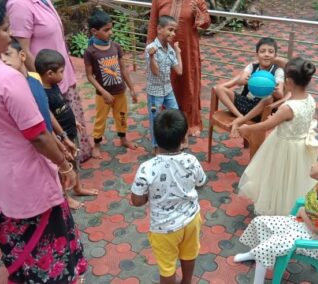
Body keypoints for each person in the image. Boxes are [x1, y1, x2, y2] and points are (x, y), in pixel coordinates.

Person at [0, 2, 86, 283]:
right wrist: (64, 165)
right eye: (6, 30)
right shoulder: (8, 79)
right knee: (47, 244)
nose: (10, 37)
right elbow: (38, 134)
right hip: (27, 181)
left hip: (0, 183)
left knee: (15, 243)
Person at [233, 150, 318, 283]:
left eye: (317, 161)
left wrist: (302, 211)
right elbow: (316, 215)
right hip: (305, 226)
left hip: (315, 239)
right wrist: (305, 212)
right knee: (260, 222)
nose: (312, 165)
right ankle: (254, 254)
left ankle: (258, 275)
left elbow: (316, 229)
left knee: (266, 247)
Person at [6, 0, 93, 162]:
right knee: (57, 124)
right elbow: (22, 51)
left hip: (59, 75)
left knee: (70, 118)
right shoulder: (19, 5)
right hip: (47, 81)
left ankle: (76, 160)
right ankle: (65, 165)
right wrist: (42, 83)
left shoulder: (43, 1)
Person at [131, 109, 206, 284]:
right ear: (183, 138)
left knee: (167, 267)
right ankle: (186, 281)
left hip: (163, 228)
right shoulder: (191, 160)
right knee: (189, 254)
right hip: (191, 219)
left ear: (155, 137)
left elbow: (136, 201)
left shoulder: (147, 168)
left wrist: (151, 194)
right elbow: (201, 182)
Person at [238, 57, 318, 216]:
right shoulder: (310, 99)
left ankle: (278, 210)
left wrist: (248, 128)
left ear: (288, 82)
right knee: (295, 180)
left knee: (280, 177)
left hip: (284, 146)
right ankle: (293, 207)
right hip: (301, 147)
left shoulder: (288, 107)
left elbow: (267, 125)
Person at [35, 49, 99, 209]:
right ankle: (66, 197)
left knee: (74, 162)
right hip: (60, 138)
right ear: (49, 73)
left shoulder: (54, 85)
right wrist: (60, 138)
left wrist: (75, 120)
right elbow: (49, 117)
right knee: (64, 169)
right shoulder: (42, 94)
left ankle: (78, 187)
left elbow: (62, 105)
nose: (63, 75)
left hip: (70, 132)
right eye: (61, 71)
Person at [1, 37, 77, 163]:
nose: (4, 60)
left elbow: (46, 113)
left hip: (53, 138)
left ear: (22, 55)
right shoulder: (15, 89)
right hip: (40, 146)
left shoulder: (36, 79)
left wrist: (62, 137)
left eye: (7, 54)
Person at [147, 0, 211, 137]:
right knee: (165, 80)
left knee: (187, 83)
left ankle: (189, 122)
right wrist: (149, 47)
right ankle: (166, 120)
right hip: (162, 49)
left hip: (187, 49)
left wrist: (198, 14)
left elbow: (206, 23)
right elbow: (153, 23)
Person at [84, 9, 138, 159]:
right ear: (95, 31)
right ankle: (96, 145)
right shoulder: (90, 52)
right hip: (103, 95)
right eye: (106, 30)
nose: (110, 32)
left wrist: (132, 89)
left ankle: (123, 139)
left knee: (121, 116)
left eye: (111, 28)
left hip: (120, 91)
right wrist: (104, 92)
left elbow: (123, 69)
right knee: (100, 120)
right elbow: (89, 76)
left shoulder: (115, 47)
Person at [213, 37, 285, 129]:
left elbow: (280, 95)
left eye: (270, 52)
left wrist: (275, 91)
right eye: (262, 51)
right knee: (219, 88)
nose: (266, 54)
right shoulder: (252, 67)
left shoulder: (278, 71)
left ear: (275, 55)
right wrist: (241, 80)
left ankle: (242, 119)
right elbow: (240, 80)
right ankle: (239, 116)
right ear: (257, 55)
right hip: (244, 103)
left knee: (269, 98)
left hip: (260, 111)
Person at [146, 15, 182, 154]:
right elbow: (155, 72)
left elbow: (179, 71)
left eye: (175, 31)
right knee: (155, 120)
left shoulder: (170, 49)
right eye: (170, 30)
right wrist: (151, 56)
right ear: (159, 29)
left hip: (168, 89)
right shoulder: (151, 48)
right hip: (155, 92)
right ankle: (156, 148)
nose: (173, 34)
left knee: (175, 114)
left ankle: (173, 143)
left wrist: (178, 53)